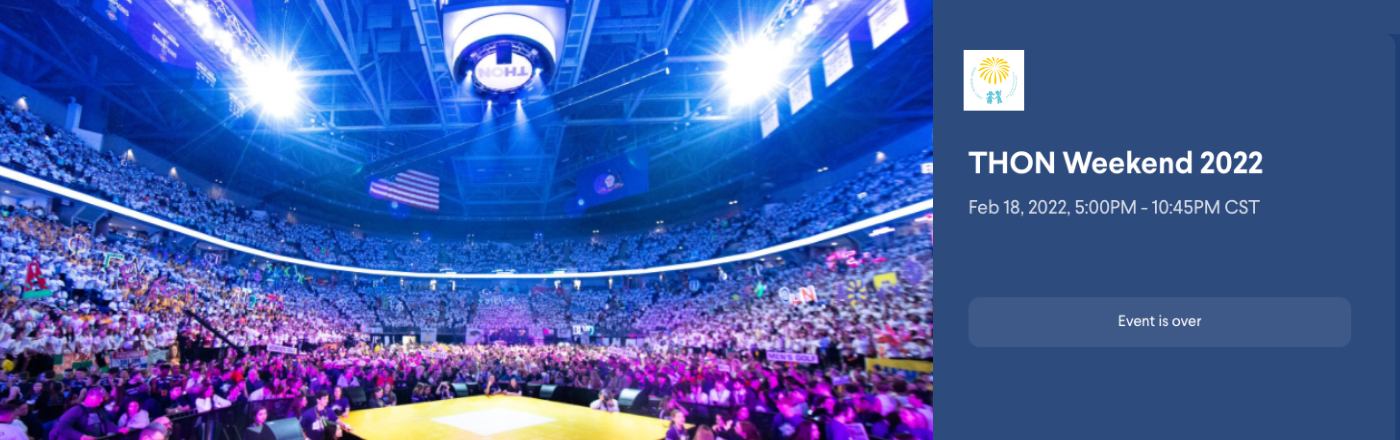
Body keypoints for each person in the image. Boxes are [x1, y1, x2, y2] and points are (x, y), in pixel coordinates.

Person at [51, 387, 125, 440]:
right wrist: (81, 436)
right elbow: (62, 426)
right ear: (90, 397)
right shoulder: (76, 410)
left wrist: (118, 429)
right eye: (98, 398)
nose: (101, 400)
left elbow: (106, 423)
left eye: (103, 398)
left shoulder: (98, 410)